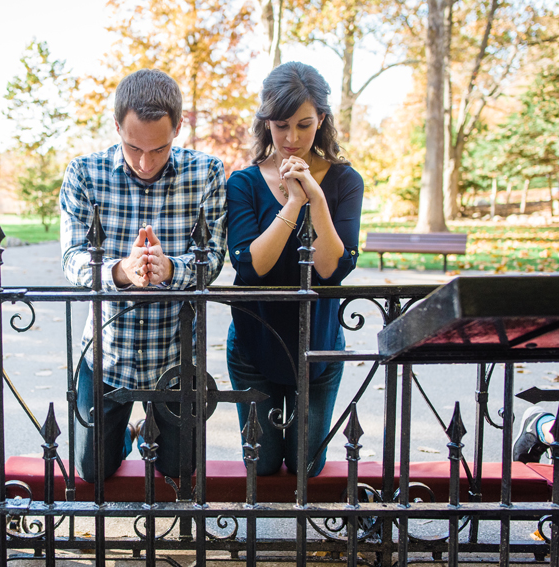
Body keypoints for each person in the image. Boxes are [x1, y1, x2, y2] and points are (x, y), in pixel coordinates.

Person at [60, 69, 227, 482]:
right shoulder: (84, 174)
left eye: (160, 148)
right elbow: (71, 257)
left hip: (174, 351)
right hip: (106, 352)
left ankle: (151, 434)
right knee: (91, 470)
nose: (145, 162)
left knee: (178, 471)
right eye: (133, 146)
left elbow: (215, 257)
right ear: (116, 125)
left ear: (179, 127)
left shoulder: (206, 172)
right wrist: (119, 270)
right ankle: (128, 433)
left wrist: (172, 268)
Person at [225, 62, 364, 477]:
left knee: (306, 466)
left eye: (304, 124)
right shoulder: (244, 183)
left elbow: (329, 268)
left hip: (318, 347)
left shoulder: (345, 181)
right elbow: (253, 267)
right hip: (255, 344)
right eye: (281, 125)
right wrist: (291, 204)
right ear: (265, 122)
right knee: (263, 466)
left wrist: (316, 198)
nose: (292, 138)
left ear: (321, 119)